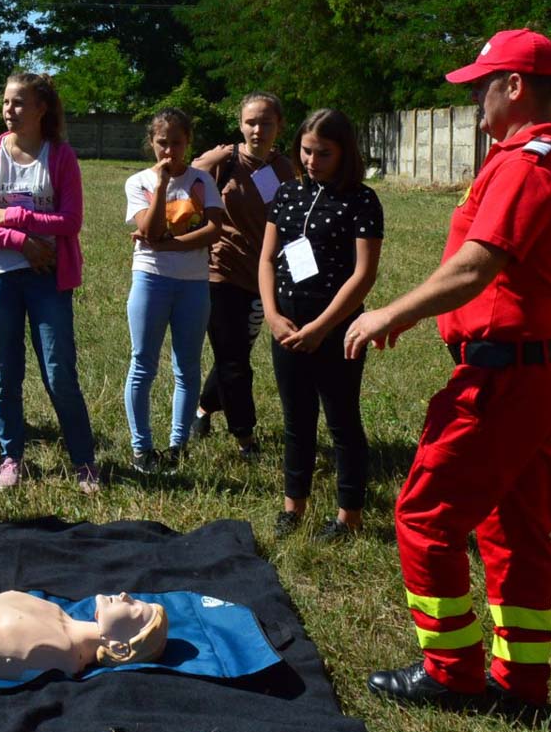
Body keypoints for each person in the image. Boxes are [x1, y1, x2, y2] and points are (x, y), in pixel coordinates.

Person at [345, 30, 551, 710]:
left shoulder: (527, 162)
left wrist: (393, 312)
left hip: (506, 377)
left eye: (482, 82)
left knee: (424, 514)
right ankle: (522, 681)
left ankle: (451, 670)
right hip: (532, 369)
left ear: (515, 86)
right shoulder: (543, 156)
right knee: (513, 530)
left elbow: (478, 265)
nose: (475, 95)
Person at [0, 73, 100, 494]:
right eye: (6, 102)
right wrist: (22, 242)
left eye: (19, 102)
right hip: (1, 279)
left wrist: (15, 217)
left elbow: (71, 221)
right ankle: (11, 458)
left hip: (48, 279)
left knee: (59, 374)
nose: (9, 110)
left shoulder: (60, 156)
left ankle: (83, 462)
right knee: (5, 374)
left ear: (42, 108)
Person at [259, 109, 383, 540]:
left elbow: (364, 274)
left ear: (345, 152)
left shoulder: (361, 200)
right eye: (306, 151)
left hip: (338, 328)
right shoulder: (288, 193)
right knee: (296, 420)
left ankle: (349, 516)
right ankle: (293, 507)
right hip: (288, 324)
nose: (312, 161)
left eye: (323, 154)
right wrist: (273, 316)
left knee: (342, 420)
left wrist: (323, 327)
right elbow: (267, 258)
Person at [191, 92, 296, 459]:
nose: (257, 129)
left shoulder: (285, 169)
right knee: (235, 359)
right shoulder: (225, 163)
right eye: (251, 122)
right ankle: (245, 438)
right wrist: (205, 162)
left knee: (231, 355)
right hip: (220, 274)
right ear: (240, 125)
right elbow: (183, 182)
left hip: (263, 279)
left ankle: (202, 411)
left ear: (279, 126)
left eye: (266, 122)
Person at [122, 108, 220, 474]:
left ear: (188, 143)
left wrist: (170, 243)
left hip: (194, 282)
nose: (169, 151)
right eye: (162, 143)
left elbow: (214, 231)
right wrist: (161, 185)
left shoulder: (202, 181)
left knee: (187, 366)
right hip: (151, 278)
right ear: (152, 143)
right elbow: (148, 231)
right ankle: (141, 448)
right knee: (142, 364)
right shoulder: (139, 182)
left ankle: (178, 446)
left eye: (176, 143)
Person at [0, 591, 168, 681]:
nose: (126, 595)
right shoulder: (57, 612)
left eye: (136, 610)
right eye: (136, 599)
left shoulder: (61, 655)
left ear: (120, 648)